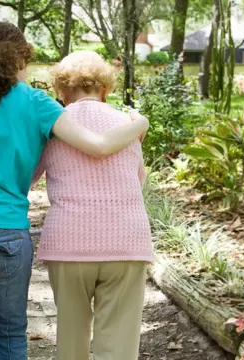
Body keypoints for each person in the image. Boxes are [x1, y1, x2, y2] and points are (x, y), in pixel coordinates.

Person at [0, 23, 149, 360]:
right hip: (3, 230)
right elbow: (101, 146)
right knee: (10, 331)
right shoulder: (35, 103)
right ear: (19, 60)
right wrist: (140, 125)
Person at [32, 50, 153, 360]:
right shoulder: (128, 125)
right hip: (126, 242)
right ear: (105, 88)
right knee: (119, 344)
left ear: (61, 89)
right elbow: (138, 180)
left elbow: (27, 178)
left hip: (68, 243)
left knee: (71, 339)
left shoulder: (53, 127)